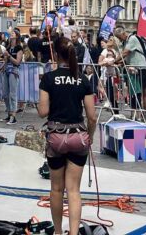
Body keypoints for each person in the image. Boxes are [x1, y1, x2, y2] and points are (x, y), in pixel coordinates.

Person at [38, 35, 98, 235]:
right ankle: (73, 232)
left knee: (56, 189)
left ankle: (57, 231)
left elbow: (42, 112)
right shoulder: (82, 79)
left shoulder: (48, 78)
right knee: (74, 190)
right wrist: (89, 137)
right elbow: (91, 116)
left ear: (55, 54)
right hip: (78, 137)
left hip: (56, 137)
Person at [113, 26, 146, 114]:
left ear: (123, 33)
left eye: (119, 37)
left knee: (138, 91)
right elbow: (126, 57)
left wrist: (114, 61)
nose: (119, 40)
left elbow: (125, 53)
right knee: (133, 91)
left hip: (139, 67)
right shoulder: (125, 42)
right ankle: (135, 112)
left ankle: (140, 113)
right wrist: (120, 63)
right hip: (132, 69)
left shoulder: (132, 39)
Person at [1, 35, 24, 125]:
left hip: (14, 71)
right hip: (6, 70)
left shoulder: (19, 48)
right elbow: (6, 60)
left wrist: (9, 56)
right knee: (5, 94)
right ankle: (9, 113)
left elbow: (17, 62)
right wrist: (0, 68)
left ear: (16, 36)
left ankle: (13, 117)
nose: (11, 35)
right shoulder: (8, 47)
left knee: (12, 94)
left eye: (13, 33)